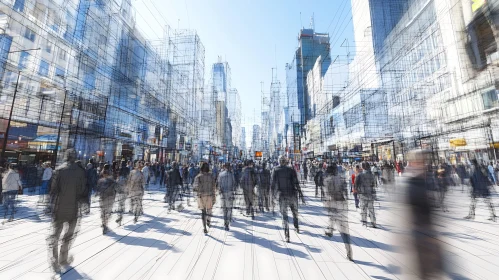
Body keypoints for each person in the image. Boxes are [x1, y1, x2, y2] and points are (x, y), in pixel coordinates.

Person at [47, 149, 86, 273]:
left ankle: (54, 259)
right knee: (68, 235)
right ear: (74, 158)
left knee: (55, 234)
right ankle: (63, 258)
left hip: (58, 208)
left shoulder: (58, 170)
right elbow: (82, 191)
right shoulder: (80, 172)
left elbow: (53, 190)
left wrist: (50, 206)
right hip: (73, 209)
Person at [323, 163, 352, 261]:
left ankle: (330, 229)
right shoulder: (342, 179)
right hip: (342, 203)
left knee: (332, 217)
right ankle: (349, 252)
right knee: (344, 229)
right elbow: (346, 193)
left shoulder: (327, 180)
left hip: (333, 202)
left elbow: (327, 195)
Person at [272, 156, 305, 242]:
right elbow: (296, 183)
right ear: (286, 162)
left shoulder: (275, 170)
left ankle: (287, 235)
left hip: (282, 195)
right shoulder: (291, 170)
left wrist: (272, 197)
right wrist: (301, 194)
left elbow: (273, 185)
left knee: (284, 215)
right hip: (292, 194)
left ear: (279, 161)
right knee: (295, 212)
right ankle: (296, 226)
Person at [193, 162, 216, 234]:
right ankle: (208, 220)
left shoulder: (198, 176)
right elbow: (214, 187)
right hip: (209, 195)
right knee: (209, 209)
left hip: (201, 196)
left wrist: (198, 190)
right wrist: (214, 196)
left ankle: (204, 227)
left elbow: (195, 187)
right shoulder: (211, 176)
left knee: (203, 211)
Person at [97, 164, 117, 234]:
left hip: (102, 198)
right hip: (109, 198)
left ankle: (103, 223)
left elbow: (98, 189)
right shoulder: (112, 180)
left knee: (103, 211)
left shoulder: (100, 180)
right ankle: (105, 224)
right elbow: (115, 189)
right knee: (107, 212)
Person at [355, 162, 377, 228]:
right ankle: (373, 222)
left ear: (363, 167)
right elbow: (374, 184)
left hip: (363, 194)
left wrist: (358, 191)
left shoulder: (359, 175)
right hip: (370, 194)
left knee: (363, 208)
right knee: (371, 208)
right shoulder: (372, 175)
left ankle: (364, 222)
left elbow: (356, 185)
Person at [218, 163, 236, 230]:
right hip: (230, 193)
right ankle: (227, 223)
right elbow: (234, 184)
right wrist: (234, 192)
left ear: (224, 167)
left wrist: (220, 191)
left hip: (223, 194)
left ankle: (225, 222)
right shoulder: (231, 174)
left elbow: (219, 184)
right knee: (229, 209)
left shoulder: (221, 174)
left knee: (224, 209)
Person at [115, 160, 129, 225]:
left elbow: (117, 179)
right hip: (125, 188)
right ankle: (120, 216)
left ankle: (119, 216)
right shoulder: (127, 169)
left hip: (120, 188)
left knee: (120, 203)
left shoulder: (120, 169)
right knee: (122, 203)